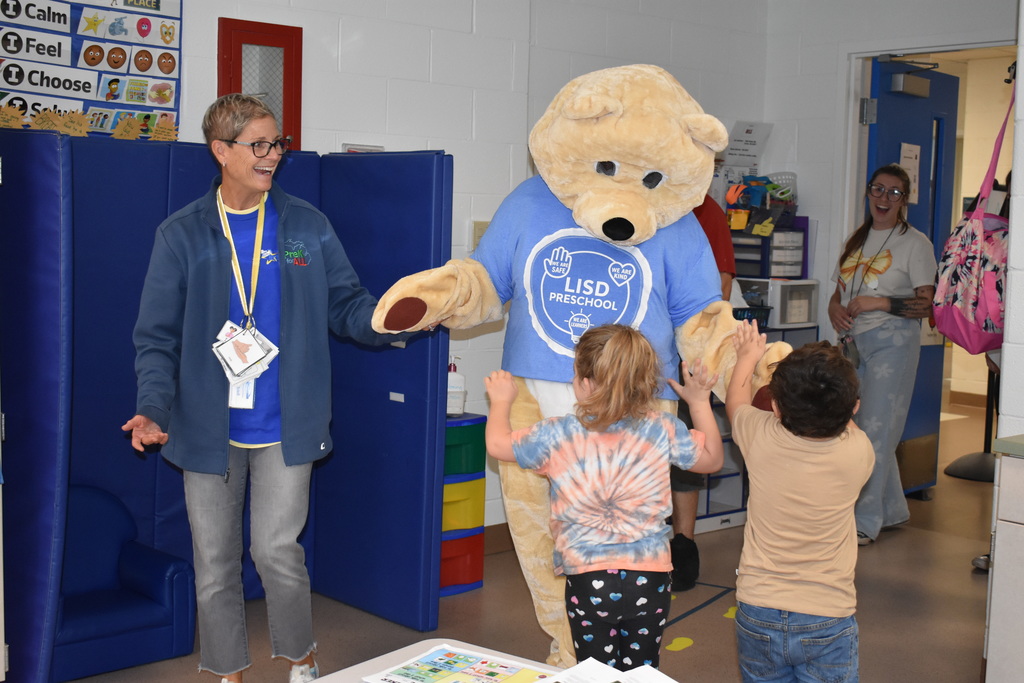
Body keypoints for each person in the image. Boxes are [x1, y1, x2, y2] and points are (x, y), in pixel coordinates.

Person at [121, 93, 411, 683]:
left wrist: (389, 320)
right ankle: (227, 670)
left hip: (286, 423)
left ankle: (301, 658)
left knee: (277, 550)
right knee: (214, 563)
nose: (273, 155)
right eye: (258, 144)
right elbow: (156, 337)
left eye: (277, 143)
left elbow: (346, 304)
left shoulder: (305, 226)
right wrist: (152, 408)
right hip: (206, 428)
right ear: (220, 151)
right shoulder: (182, 235)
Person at [483, 324, 724, 671]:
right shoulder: (662, 429)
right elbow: (714, 459)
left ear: (583, 382)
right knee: (641, 672)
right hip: (651, 578)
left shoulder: (558, 433)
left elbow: (497, 445)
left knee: (594, 673)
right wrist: (699, 401)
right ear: (644, 383)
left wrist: (502, 402)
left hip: (588, 578)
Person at [726, 320, 874, 683]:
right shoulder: (859, 453)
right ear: (854, 408)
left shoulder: (759, 437)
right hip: (828, 614)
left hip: (758, 607)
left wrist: (748, 357)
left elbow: (736, 403)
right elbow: (844, 420)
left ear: (775, 407)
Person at [827, 163, 937, 545]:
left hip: (893, 344)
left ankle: (865, 520)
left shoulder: (915, 244)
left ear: (904, 201)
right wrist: (834, 309)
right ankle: (891, 509)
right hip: (854, 345)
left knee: (876, 431)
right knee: (863, 427)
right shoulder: (856, 240)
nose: (883, 198)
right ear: (868, 193)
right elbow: (839, 293)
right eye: (878, 190)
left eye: (893, 193)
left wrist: (879, 303)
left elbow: (927, 305)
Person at [671, 194, 736, 590]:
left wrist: (702, 348)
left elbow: (722, 285)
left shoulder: (704, 209)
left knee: (688, 443)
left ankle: (683, 543)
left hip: (683, 347)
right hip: (633, 347)